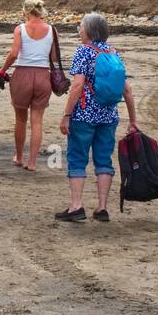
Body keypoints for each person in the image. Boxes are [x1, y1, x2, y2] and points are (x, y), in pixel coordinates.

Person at [57, 12, 138, 222]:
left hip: (83, 116)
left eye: (81, 27)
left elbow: (77, 86)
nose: (79, 30)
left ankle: (76, 206)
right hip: (109, 115)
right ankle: (102, 208)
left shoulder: (83, 52)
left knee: (77, 159)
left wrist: (66, 115)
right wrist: (132, 121)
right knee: (104, 160)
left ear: (90, 31)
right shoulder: (113, 52)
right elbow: (126, 89)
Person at [0, 0, 55, 171]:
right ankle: (32, 162)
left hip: (22, 75)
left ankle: (20, 157)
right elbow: (53, 58)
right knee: (37, 121)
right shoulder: (52, 30)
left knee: (20, 119)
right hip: (43, 76)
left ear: (26, 11)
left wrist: (2, 70)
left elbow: (14, 53)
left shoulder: (20, 29)